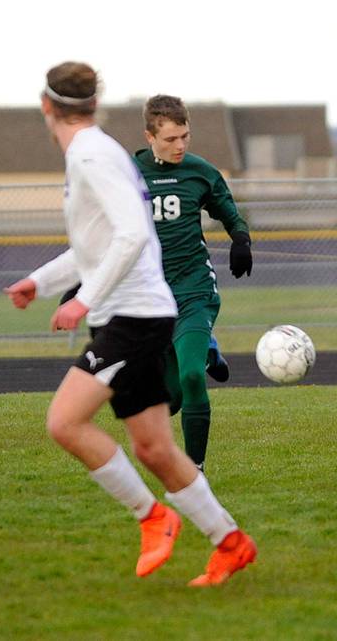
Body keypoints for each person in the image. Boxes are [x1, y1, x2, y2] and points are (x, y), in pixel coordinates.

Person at [5, 62, 256, 586]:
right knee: (155, 449)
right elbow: (96, 244)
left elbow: (129, 238)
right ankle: (231, 543)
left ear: (46, 107)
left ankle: (153, 516)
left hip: (132, 317)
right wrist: (41, 281)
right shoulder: (104, 153)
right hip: (134, 312)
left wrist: (83, 300)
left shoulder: (91, 155)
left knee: (65, 423)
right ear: (94, 105)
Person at [135, 94, 252, 470]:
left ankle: (195, 470)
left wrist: (241, 240)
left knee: (189, 377)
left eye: (185, 136)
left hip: (194, 290)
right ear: (149, 136)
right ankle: (209, 352)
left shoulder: (199, 171)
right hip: (150, 299)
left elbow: (228, 211)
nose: (180, 145)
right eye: (170, 139)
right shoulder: (126, 173)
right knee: (168, 400)